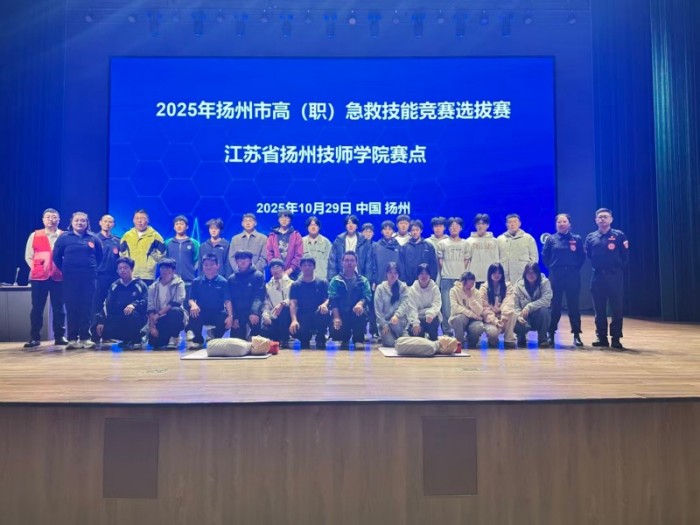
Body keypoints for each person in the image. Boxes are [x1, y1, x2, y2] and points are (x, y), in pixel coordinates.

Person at [52, 212, 103, 349]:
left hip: (89, 278)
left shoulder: (94, 238)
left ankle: (85, 338)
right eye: (77, 220)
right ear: (72, 222)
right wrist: (66, 269)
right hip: (70, 278)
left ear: (87, 223)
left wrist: (91, 268)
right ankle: (72, 339)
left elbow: (100, 257)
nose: (80, 223)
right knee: (72, 307)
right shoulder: (64, 238)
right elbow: (56, 257)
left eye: (82, 221)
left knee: (87, 307)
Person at [584, 208, 629, 349]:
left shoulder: (619, 235)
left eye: (605, 217)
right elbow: (589, 254)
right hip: (597, 276)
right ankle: (601, 337)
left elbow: (625, 256)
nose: (602, 219)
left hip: (614, 275)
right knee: (599, 309)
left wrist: (615, 267)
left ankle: (616, 338)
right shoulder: (591, 237)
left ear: (611, 219)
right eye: (600, 217)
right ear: (596, 220)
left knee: (616, 309)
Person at [24, 208, 66, 347]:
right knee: (37, 308)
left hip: (58, 277)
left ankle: (59, 336)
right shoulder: (35, 235)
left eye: (54, 217)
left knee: (59, 308)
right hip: (39, 278)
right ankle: (34, 337)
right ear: (43, 220)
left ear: (59, 220)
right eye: (48, 217)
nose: (51, 220)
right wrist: (37, 269)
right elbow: (28, 256)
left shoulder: (64, 236)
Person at [542, 213, 585, 347]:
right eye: (559, 222)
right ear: (556, 224)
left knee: (573, 306)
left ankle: (576, 335)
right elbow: (545, 257)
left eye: (564, 221)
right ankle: (551, 334)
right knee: (555, 306)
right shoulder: (551, 239)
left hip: (572, 275)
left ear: (569, 224)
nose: (562, 224)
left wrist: (573, 268)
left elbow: (581, 257)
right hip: (556, 275)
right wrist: (554, 267)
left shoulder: (576, 239)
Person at [93, 257, 148, 348]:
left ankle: (137, 338)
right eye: (120, 268)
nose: (122, 270)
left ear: (132, 269)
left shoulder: (140, 284)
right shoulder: (115, 285)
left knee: (130, 315)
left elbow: (145, 301)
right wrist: (101, 321)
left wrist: (134, 305)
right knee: (96, 326)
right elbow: (107, 304)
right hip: (118, 317)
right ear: (117, 271)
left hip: (136, 317)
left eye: (125, 268)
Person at [186, 254, 234, 350]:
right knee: (192, 311)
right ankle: (198, 340)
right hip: (201, 311)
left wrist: (230, 316)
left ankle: (213, 334)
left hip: (217, 312)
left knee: (226, 319)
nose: (208, 267)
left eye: (211, 265)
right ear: (202, 266)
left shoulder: (223, 282)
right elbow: (191, 299)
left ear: (217, 266)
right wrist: (194, 305)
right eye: (206, 265)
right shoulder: (196, 281)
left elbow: (228, 300)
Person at [328, 251, 372, 348]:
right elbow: (333, 300)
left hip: (356, 313)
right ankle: (343, 339)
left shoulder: (363, 281)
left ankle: (358, 340)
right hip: (341, 313)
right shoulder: (335, 280)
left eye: (352, 260)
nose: (349, 263)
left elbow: (367, 296)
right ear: (342, 262)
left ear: (356, 263)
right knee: (336, 332)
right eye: (347, 260)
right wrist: (336, 317)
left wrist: (360, 304)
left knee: (361, 312)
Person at [437, 217, 470, 335]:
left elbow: (466, 260)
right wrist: (448, 271)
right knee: (446, 308)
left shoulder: (466, 244)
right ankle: (447, 332)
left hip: (461, 281)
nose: (454, 228)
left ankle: (460, 333)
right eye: (451, 226)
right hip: (446, 279)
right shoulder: (442, 243)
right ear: (448, 228)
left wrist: (460, 273)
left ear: (461, 228)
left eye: (456, 226)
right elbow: (440, 261)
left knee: (461, 307)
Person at [146, 258, 188, 349]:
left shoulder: (179, 283)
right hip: (159, 318)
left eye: (167, 268)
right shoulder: (153, 287)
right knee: (155, 343)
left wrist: (159, 313)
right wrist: (152, 327)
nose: (164, 271)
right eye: (162, 268)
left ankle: (174, 336)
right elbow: (150, 307)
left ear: (173, 270)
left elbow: (177, 302)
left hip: (173, 315)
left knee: (175, 311)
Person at [289, 257, 330, 349]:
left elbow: (328, 299)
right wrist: (294, 320)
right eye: (304, 265)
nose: (307, 267)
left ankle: (320, 338)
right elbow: (293, 304)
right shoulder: (296, 285)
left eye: (309, 265)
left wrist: (324, 304)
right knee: (303, 338)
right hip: (303, 315)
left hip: (318, 313)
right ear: (301, 267)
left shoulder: (322, 282)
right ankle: (304, 338)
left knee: (324, 312)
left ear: (314, 267)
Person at [119, 209, 165, 285]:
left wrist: (151, 262)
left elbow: (162, 254)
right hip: (131, 275)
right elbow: (122, 253)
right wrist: (128, 264)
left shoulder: (155, 236)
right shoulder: (127, 236)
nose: (139, 221)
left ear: (148, 220)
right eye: (137, 218)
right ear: (133, 220)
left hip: (148, 275)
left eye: (142, 218)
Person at [227, 250, 266, 340]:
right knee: (236, 343)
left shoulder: (258, 276)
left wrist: (254, 312)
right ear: (236, 261)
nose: (243, 261)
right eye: (240, 259)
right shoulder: (231, 279)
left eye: (245, 259)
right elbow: (230, 300)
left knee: (256, 342)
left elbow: (259, 296)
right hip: (238, 314)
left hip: (253, 313)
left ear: (250, 260)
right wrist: (234, 317)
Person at [513, 263, 553, 348]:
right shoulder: (518, 285)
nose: (531, 275)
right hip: (523, 316)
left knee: (544, 311)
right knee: (513, 316)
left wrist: (529, 307)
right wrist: (518, 316)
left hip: (537, 316)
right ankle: (521, 336)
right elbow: (515, 305)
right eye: (528, 273)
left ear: (538, 273)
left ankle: (543, 339)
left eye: (534, 272)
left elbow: (546, 300)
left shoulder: (545, 282)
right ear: (525, 274)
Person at [92, 214, 121, 329]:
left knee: (112, 304)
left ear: (114, 224)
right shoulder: (94, 239)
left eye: (110, 222)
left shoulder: (117, 240)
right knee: (96, 304)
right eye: (105, 221)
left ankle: (109, 331)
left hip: (114, 277)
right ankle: (94, 331)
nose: (107, 224)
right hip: (98, 277)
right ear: (100, 223)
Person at [374, 262, 411, 347]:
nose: (392, 275)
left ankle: (403, 337)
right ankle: (401, 341)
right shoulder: (380, 288)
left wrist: (397, 315)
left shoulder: (403, 287)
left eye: (395, 272)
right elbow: (378, 310)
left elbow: (405, 304)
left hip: (399, 321)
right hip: (385, 322)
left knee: (396, 326)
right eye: (390, 272)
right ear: (386, 273)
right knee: (390, 343)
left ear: (398, 274)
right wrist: (384, 324)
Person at [480, 263, 516, 348]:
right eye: (494, 273)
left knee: (513, 314)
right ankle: (492, 340)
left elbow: (509, 302)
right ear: (490, 274)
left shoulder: (508, 286)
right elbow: (484, 308)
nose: (497, 275)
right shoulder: (484, 288)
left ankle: (509, 339)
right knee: (493, 333)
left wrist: (504, 317)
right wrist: (495, 321)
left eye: (499, 273)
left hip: (503, 317)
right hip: (490, 319)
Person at [496, 213, 538, 284]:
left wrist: (530, 274)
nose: (512, 224)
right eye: (510, 222)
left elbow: (534, 258)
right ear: (506, 225)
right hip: (505, 278)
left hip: (523, 277)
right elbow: (496, 259)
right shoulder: (500, 239)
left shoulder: (528, 238)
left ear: (519, 223)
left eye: (515, 222)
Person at [448, 271, 486, 348]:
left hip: (473, 321)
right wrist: (472, 315)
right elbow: (455, 307)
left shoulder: (476, 292)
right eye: (467, 285)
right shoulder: (453, 290)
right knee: (460, 318)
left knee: (479, 327)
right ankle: (459, 343)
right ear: (461, 282)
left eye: (472, 285)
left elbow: (479, 311)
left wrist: (470, 297)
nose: (469, 287)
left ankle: (471, 340)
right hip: (459, 318)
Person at [329, 215, 372, 281]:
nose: (351, 225)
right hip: (341, 277)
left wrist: (368, 280)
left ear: (357, 226)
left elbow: (369, 263)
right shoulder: (338, 241)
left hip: (359, 278)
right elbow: (332, 262)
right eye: (348, 223)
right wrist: (332, 279)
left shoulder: (364, 241)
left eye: (353, 223)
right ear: (345, 226)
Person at [261, 259, 294, 347]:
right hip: (274, 316)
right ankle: (275, 340)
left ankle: (284, 339)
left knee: (284, 311)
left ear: (283, 268)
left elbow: (293, 300)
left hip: (288, 315)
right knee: (262, 326)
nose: (275, 270)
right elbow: (266, 303)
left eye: (278, 267)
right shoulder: (268, 286)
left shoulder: (292, 284)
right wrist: (266, 315)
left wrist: (282, 304)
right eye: (273, 268)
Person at [407, 263, 442, 341]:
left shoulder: (435, 288)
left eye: (426, 274)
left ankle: (432, 336)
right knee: (416, 336)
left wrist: (431, 314)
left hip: (431, 318)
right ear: (418, 275)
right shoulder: (412, 289)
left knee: (433, 337)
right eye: (421, 273)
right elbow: (412, 308)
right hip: (418, 317)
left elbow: (437, 304)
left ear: (430, 275)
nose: (424, 276)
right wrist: (415, 322)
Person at [165, 215, 200, 295]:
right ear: (174, 227)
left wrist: (191, 270)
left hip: (189, 282)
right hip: (171, 281)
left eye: (181, 224)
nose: (179, 226)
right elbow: (164, 260)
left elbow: (198, 260)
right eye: (177, 224)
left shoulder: (194, 243)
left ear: (187, 226)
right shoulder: (167, 243)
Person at [266, 209, 303, 280]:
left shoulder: (296, 235)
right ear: (278, 220)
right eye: (282, 217)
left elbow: (298, 255)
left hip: (292, 274)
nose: (284, 219)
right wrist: (275, 269)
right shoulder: (272, 236)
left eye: (287, 217)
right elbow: (269, 253)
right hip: (275, 273)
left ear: (290, 220)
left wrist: (290, 270)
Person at [465, 213, 500, 288]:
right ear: (475, 225)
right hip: (474, 277)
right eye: (478, 224)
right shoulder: (468, 241)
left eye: (483, 224)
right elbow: (466, 260)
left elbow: (497, 259)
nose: (480, 226)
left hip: (490, 277)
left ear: (488, 225)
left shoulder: (494, 241)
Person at [399, 219, 438, 286]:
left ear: (421, 230)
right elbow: (401, 266)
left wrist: (431, 280)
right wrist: (403, 281)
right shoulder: (404, 248)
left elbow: (433, 265)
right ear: (410, 232)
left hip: (426, 283)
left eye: (417, 230)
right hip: (409, 284)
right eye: (412, 230)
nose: (415, 232)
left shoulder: (429, 246)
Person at [302, 216, 332, 280]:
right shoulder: (301, 242)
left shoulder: (326, 242)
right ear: (307, 227)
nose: (313, 227)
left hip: (322, 278)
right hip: (304, 279)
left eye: (315, 225)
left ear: (319, 227)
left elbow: (331, 262)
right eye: (311, 225)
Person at [426, 217, 448, 286]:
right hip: (432, 273)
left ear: (444, 227)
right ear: (432, 228)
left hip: (447, 273)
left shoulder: (449, 241)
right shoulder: (427, 242)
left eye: (440, 226)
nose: (438, 228)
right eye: (436, 226)